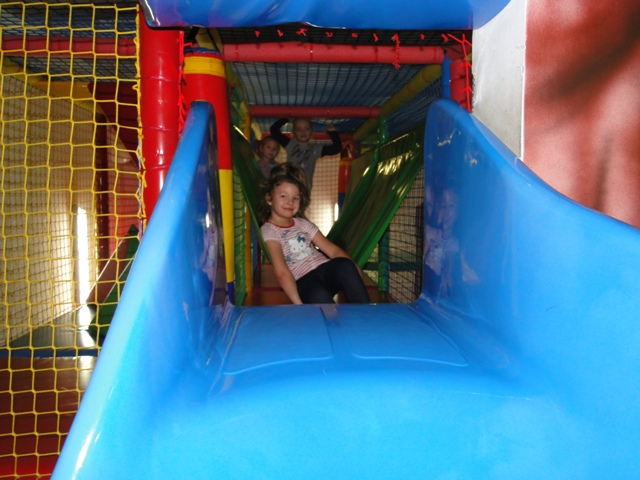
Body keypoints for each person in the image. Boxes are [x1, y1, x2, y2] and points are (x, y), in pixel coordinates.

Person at [259, 163, 369, 305]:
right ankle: (332, 319)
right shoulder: (269, 230)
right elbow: (282, 271)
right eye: (283, 196)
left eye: (295, 198)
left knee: (345, 265)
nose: (290, 202)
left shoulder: (302, 224)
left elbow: (333, 250)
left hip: (323, 270)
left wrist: (354, 269)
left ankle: (366, 313)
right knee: (318, 294)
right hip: (303, 281)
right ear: (269, 198)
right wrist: (298, 304)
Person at [269, 117, 342, 188]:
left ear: (311, 131)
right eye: (298, 129)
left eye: (306, 128)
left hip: (305, 190)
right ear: (294, 132)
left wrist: (332, 132)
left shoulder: (316, 149)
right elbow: (274, 130)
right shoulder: (290, 144)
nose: (303, 132)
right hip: (290, 188)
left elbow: (337, 148)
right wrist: (287, 118)